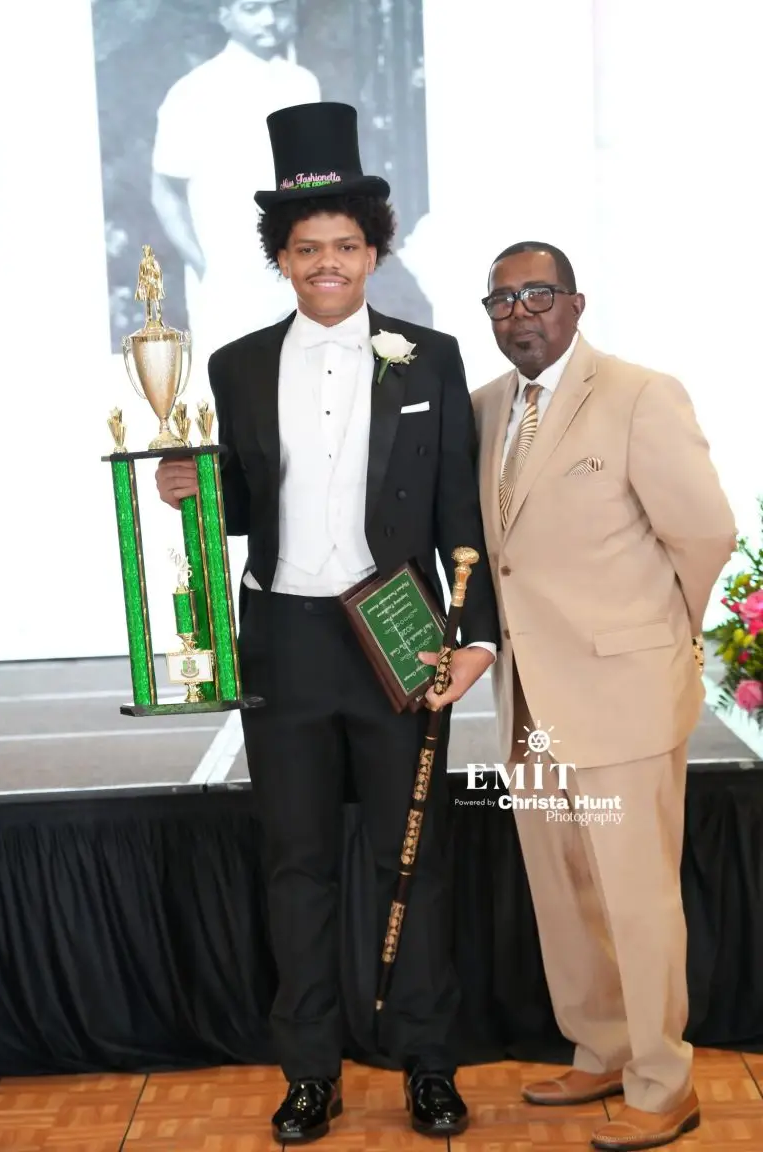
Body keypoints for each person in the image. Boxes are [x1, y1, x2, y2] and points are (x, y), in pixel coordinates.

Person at [155, 101, 500, 1144]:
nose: (327, 263)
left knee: (416, 859)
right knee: (295, 864)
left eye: (346, 245)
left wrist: (475, 637)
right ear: (282, 258)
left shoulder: (429, 357)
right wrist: (194, 490)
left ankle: (429, 1068)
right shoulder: (236, 365)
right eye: (307, 248)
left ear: (374, 251)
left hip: (399, 631)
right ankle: (309, 1072)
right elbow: (253, 504)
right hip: (287, 642)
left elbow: (458, 517)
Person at [471, 241, 737, 1151]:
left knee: (635, 894)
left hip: (624, 690)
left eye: (536, 295)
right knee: (567, 891)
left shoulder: (638, 394)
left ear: (576, 304)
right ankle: (602, 1048)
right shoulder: (486, 408)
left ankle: (665, 1083)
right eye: (500, 302)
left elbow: (704, 532)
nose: (519, 314)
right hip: (530, 705)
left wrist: (660, 642)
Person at [151, 1, 320, 368]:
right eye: (253, 8)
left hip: (298, 271)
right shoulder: (194, 91)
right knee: (233, 397)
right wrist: (204, 266)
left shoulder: (302, 83)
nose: (270, 19)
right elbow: (164, 192)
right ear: (224, 14)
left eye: (279, 7)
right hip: (228, 280)